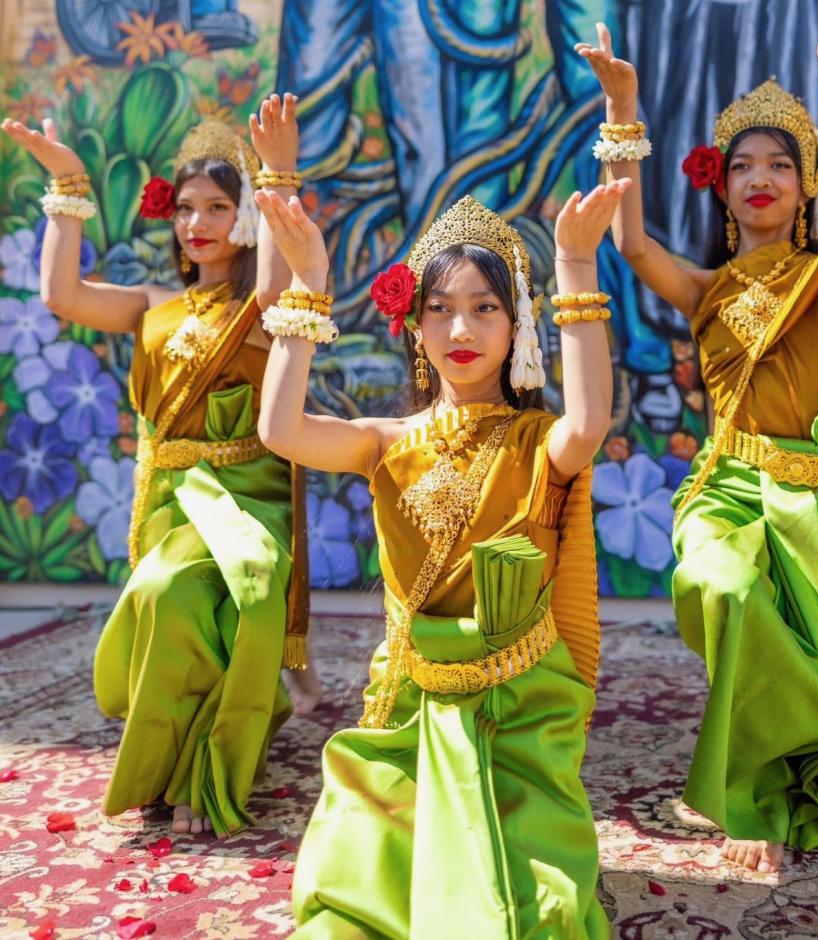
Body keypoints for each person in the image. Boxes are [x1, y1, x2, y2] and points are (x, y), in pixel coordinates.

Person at [254, 174, 627, 936]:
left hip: (516, 709)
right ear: (415, 327)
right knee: (355, 905)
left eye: (484, 308)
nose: (461, 328)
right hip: (412, 708)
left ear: (517, 324)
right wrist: (307, 286)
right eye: (441, 309)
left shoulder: (538, 441)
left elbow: (588, 423)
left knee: (531, 912)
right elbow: (281, 432)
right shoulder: (383, 443)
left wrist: (577, 269)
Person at [578, 17, 818, 873]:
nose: (759, 177)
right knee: (722, 585)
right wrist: (621, 104)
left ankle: (791, 780)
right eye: (741, 164)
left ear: (805, 183)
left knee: (816, 665)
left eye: (780, 163)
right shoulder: (704, 286)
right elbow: (629, 243)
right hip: (728, 489)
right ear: (720, 185)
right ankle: (747, 794)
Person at [0, 93, 315, 837]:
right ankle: (169, 766)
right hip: (173, 501)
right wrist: (69, 188)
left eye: (215, 207)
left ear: (242, 220)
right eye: (184, 208)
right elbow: (61, 295)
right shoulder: (153, 305)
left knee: (180, 595)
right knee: (168, 608)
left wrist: (276, 177)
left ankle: (208, 764)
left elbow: (276, 289)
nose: (196, 224)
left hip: (246, 498)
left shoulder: (259, 310)